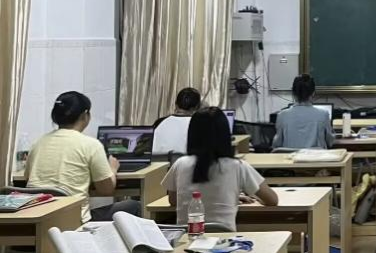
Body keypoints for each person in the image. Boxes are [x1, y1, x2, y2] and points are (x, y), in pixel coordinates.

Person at [26, 91, 140, 222]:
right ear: (85, 116)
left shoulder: (38, 143)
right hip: (74, 222)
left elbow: (28, 178)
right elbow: (106, 190)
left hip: (37, 221)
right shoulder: (91, 145)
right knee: (134, 206)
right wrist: (113, 169)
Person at [162, 107, 278, 230]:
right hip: (223, 239)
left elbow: (173, 201)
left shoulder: (180, 164)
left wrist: (229, 195)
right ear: (225, 135)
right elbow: (272, 200)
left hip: (187, 238)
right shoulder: (238, 166)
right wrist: (231, 197)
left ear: (192, 134)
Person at [273, 74, 334, 149]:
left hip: (290, 156)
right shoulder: (323, 114)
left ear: (293, 92)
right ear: (313, 93)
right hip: (315, 156)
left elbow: (277, 144)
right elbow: (330, 142)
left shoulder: (282, 115)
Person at [152, 87, 203, 156]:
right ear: (197, 107)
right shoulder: (199, 126)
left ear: (176, 104)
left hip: (158, 163)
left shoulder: (159, 123)